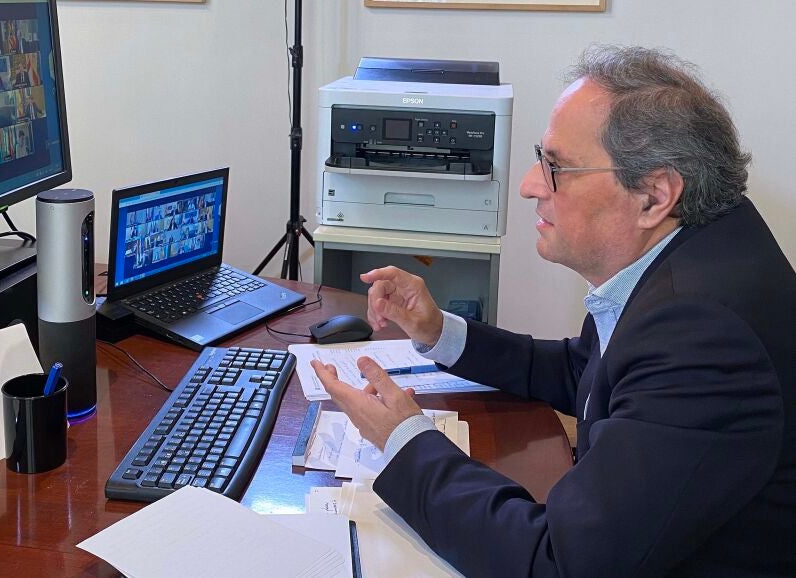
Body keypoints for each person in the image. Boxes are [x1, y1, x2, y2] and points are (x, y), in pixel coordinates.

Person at [312, 46, 796, 577]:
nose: (529, 185)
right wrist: (438, 331)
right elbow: (585, 371)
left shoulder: (700, 335)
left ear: (654, 196)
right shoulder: (691, 256)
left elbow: (558, 563)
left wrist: (404, 438)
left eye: (556, 167)